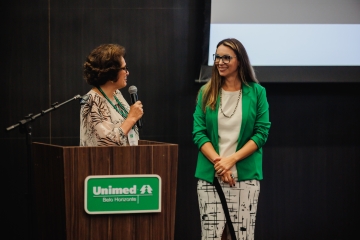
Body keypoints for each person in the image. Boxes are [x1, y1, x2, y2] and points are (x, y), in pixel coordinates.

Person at [192, 38, 271, 240]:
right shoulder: (205, 92)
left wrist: (231, 160)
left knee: (242, 236)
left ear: (240, 61)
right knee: (211, 236)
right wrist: (221, 165)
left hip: (244, 178)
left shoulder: (257, 92)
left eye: (226, 57)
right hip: (210, 177)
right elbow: (199, 133)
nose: (220, 61)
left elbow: (261, 133)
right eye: (217, 57)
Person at [80, 43, 143, 146]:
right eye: (124, 68)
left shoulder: (117, 94)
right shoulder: (92, 101)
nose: (127, 73)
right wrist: (131, 118)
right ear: (111, 72)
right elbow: (107, 143)